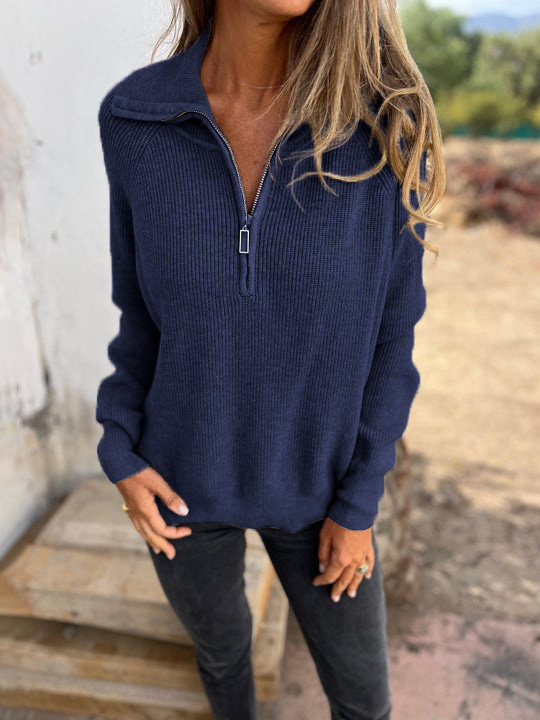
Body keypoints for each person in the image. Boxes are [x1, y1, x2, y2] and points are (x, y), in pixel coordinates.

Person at [95, 1, 445, 717]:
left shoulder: (381, 128)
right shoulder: (136, 119)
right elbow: (140, 318)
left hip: (324, 494)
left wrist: (359, 502)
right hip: (177, 484)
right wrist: (120, 449)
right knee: (223, 659)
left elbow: (392, 342)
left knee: (364, 704)